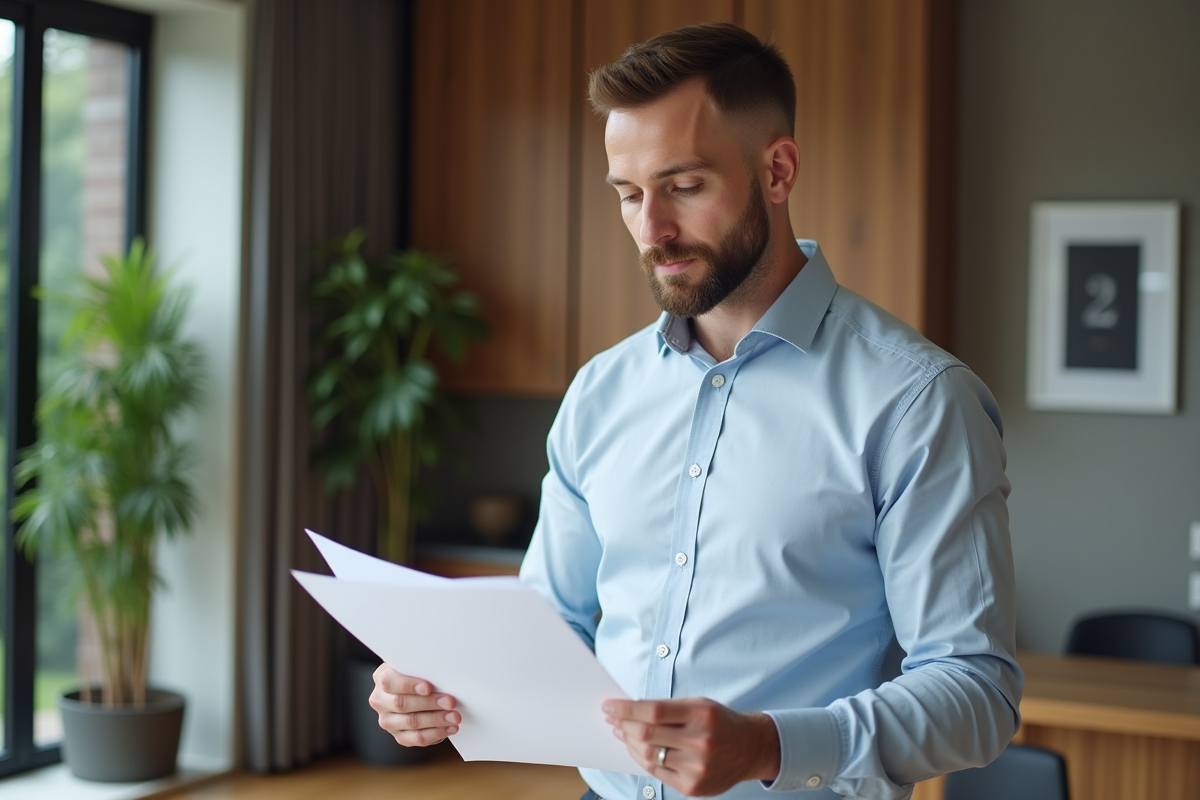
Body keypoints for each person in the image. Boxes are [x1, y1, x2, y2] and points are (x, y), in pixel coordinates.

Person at [371, 22, 1022, 800]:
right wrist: (442, 686)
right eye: (629, 194)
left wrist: (766, 746)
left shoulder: (916, 400)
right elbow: (555, 632)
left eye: (683, 186)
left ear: (777, 171)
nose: (652, 230)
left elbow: (977, 693)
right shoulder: (598, 394)